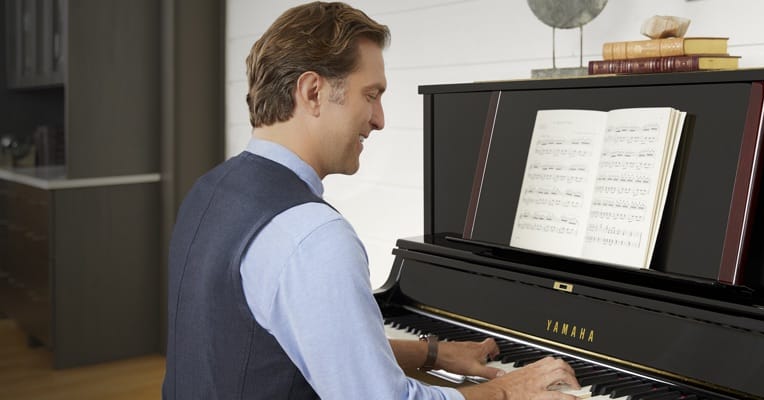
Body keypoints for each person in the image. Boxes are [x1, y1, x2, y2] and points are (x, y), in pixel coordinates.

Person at [162, 2, 580, 399]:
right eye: (371, 94)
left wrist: (429, 353)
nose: (380, 119)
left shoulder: (211, 190)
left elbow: (297, 352)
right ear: (312, 92)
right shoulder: (312, 236)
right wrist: (509, 389)